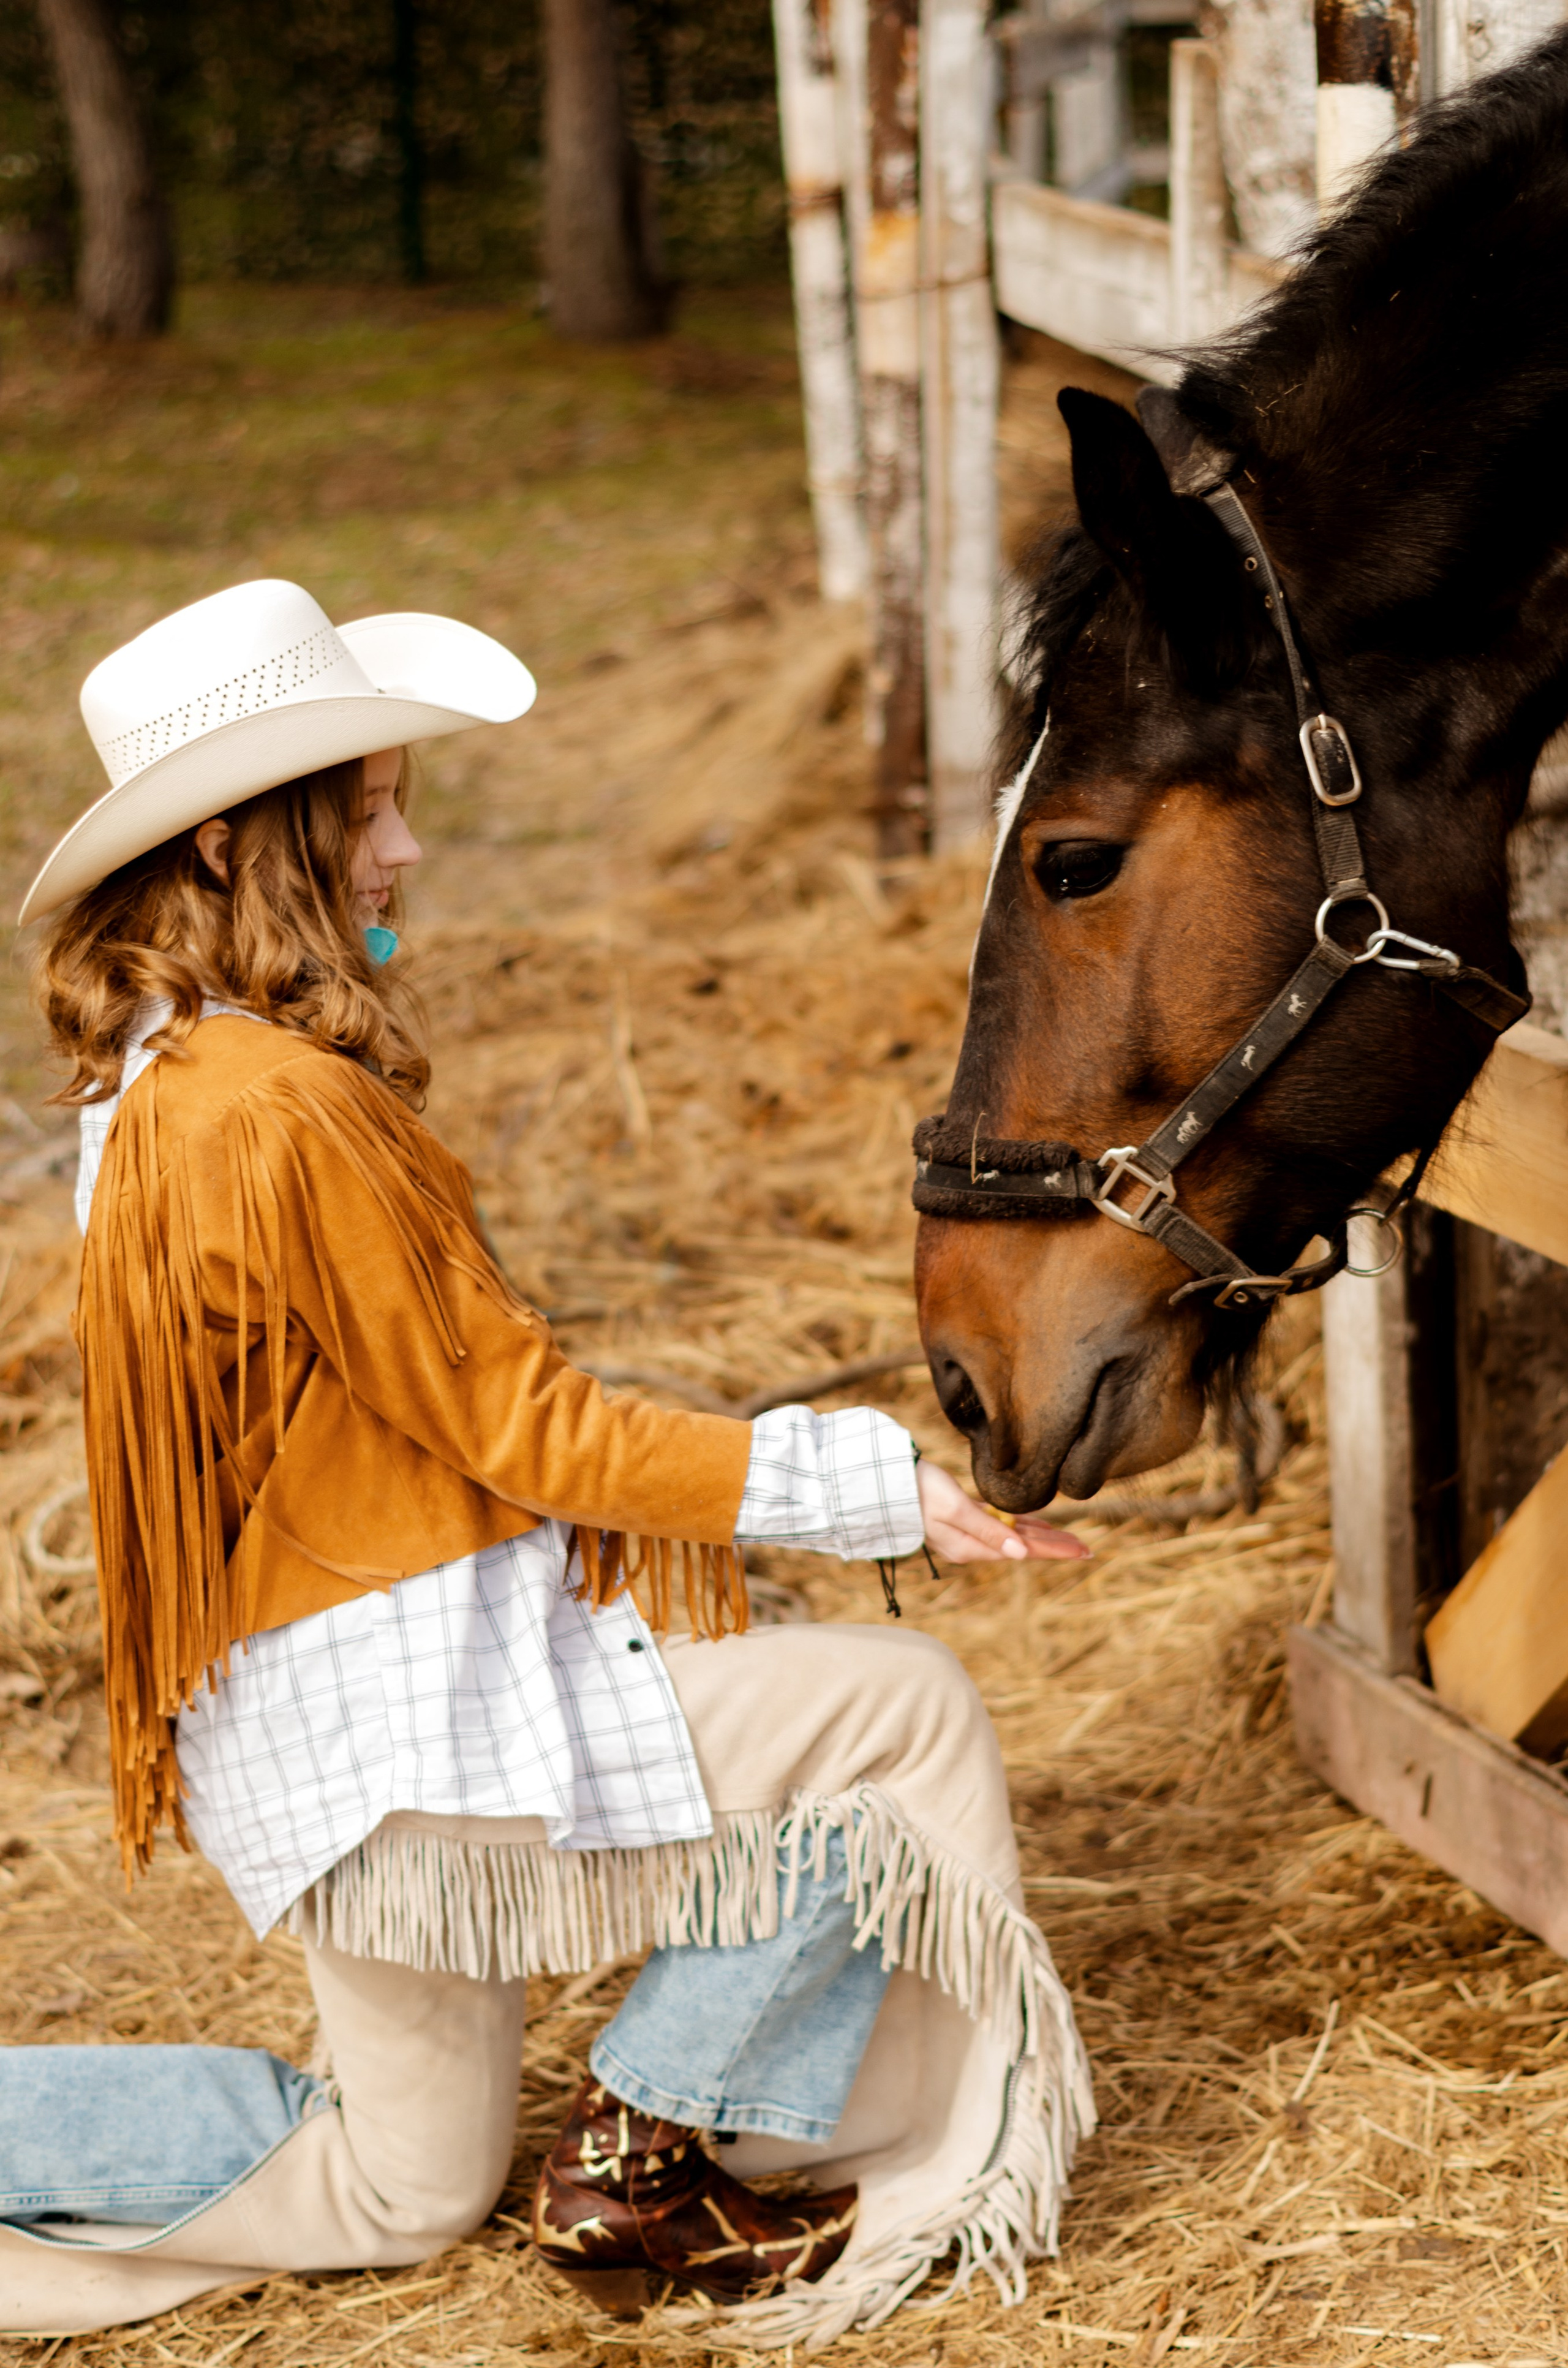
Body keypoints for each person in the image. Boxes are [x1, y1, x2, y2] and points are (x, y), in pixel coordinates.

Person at [0, 580, 1096, 2345]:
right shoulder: (278, 1108)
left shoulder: (152, 1080)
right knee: (896, 1716)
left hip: (295, 1737)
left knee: (407, 2186)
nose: (405, 849)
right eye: (369, 810)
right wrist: (874, 1489)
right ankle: (657, 2146)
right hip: (401, 1731)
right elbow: (527, 1431)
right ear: (228, 841)